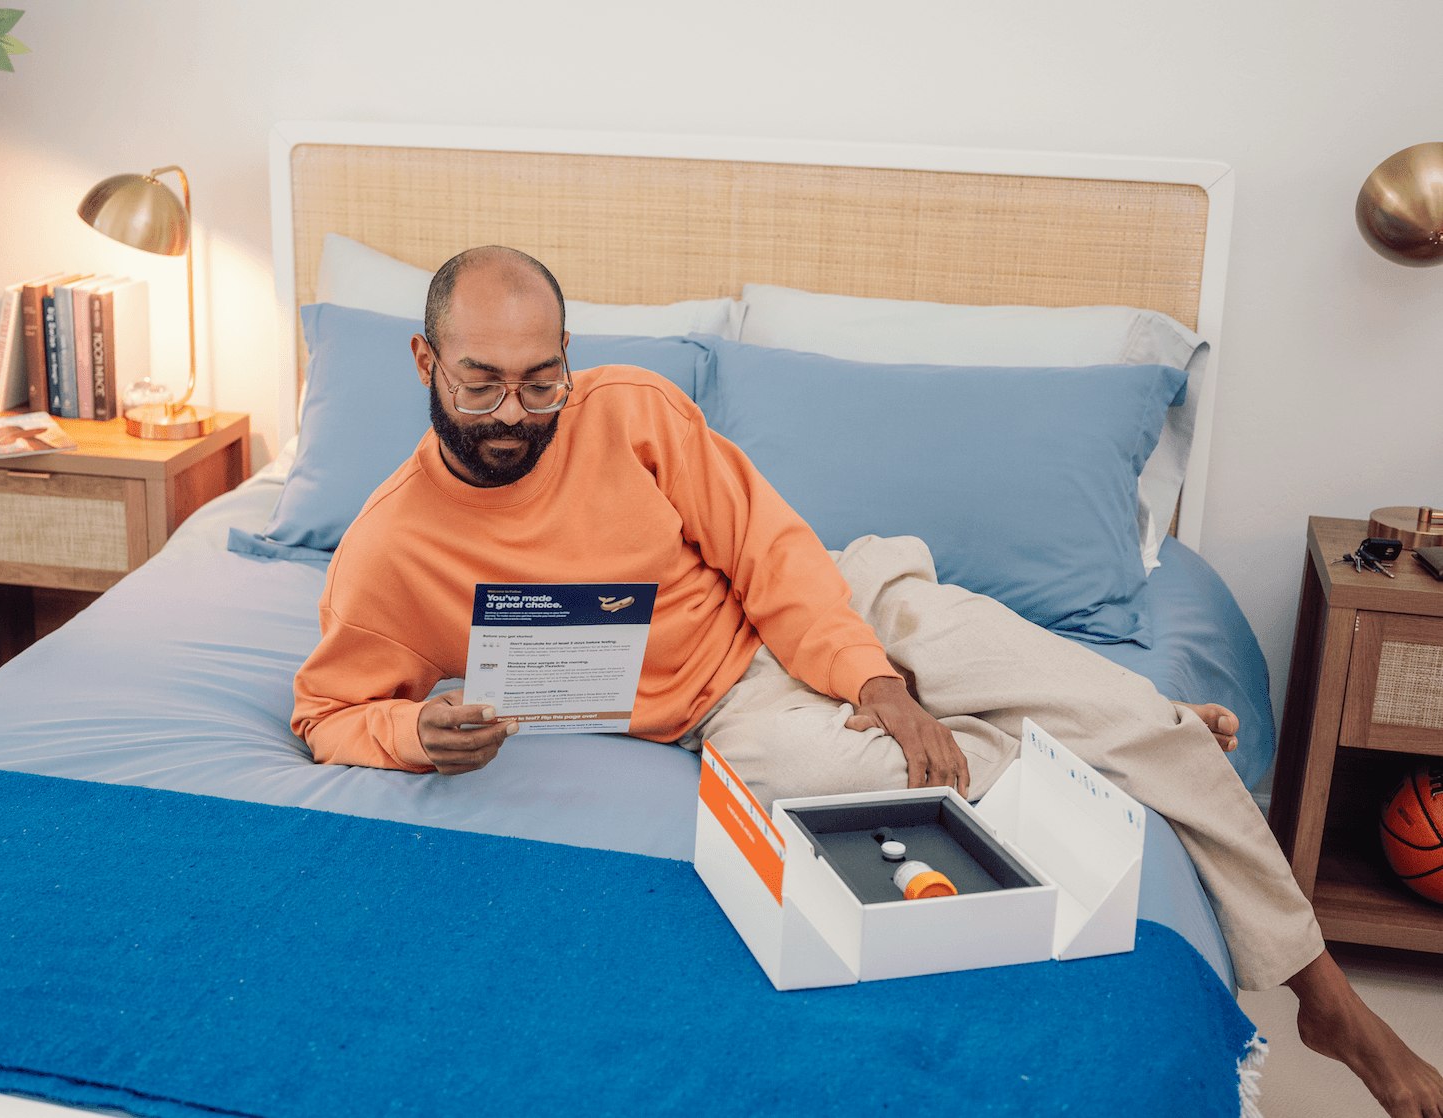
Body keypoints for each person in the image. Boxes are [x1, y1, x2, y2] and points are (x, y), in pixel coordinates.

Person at [293, 246, 1443, 1118]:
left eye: (543, 383)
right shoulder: (390, 546)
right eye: (484, 384)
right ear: (424, 362)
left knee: (1019, 686)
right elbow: (328, 711)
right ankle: (1125, 722)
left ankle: (1325, 997)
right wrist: (413, 733)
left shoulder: (629, 410)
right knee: (1024, 770)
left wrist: (873, 675)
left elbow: (770, 547)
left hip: (841, 602)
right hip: (728, 708)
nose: (516, 415)